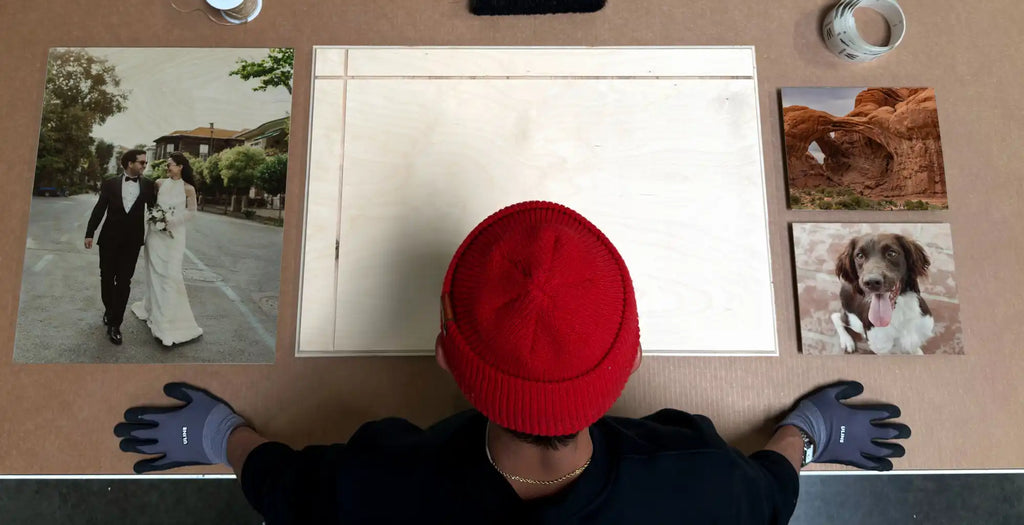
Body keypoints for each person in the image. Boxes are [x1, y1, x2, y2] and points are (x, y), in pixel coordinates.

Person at [115, 201, 909, 523]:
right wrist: (806, 431)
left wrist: (221, 436)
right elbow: (767, 496)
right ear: (628, 357)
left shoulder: (379, 481)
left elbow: (288, 490)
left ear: (444, 359)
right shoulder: (696, 479)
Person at [130, 152, 203, 346]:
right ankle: (153, 310)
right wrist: (156, 218)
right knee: (154, 274)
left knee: (171, 276)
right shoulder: (159, 184)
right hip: (155, 235)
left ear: (180, 167)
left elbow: (192, 213)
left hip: (174, 237)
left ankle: (168, 321)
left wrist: (171, 221)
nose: (167, 167)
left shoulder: (189, 189)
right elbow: (149, 203)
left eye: (170, 164)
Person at [85, 149, 156, 345]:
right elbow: (100, 208)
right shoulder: (110, 183)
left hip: (132, 242)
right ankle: (109, 309)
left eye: (145, 163)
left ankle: (116, 324)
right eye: (141, 162)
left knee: (124, 282)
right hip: (108, 239)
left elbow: (155, 211)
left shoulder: (149, 185)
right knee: (107, 278)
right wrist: (90, 233)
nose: (144, 166)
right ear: (129, 163)